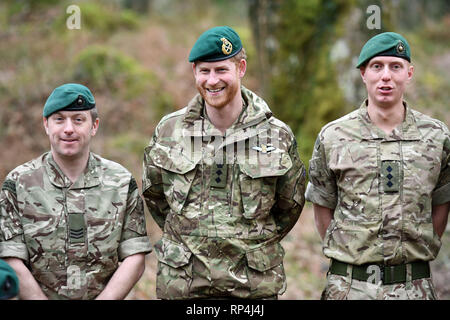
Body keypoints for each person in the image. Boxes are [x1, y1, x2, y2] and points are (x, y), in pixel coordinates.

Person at [142, 26, 306, 299]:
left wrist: (251, 241)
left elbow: (289, 205)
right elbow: (156, 195)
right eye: (204, 71)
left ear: (240, 68)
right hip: (184, 284)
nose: (212, 80)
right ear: (194, 71)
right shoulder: (169, 131)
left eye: (221, 70)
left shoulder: (276, 135)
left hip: (252, 287)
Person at [306, 32, 450, 300]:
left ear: (409, 73)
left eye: (395, 66)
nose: (386, 76)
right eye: (377, 66)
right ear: (363, 74)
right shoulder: (334, 136)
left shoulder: (436, 137)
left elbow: (441, 203)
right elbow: (322, 205)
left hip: (414, 288)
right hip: (349, 288)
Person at [0, 83, 152, 299]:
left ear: (94, 125)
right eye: (59, 119)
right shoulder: (19, 183)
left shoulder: (120, 181)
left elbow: (135, 256)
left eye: (78, 120)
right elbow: (9, 256)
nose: (68, 128)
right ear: (46, 124)